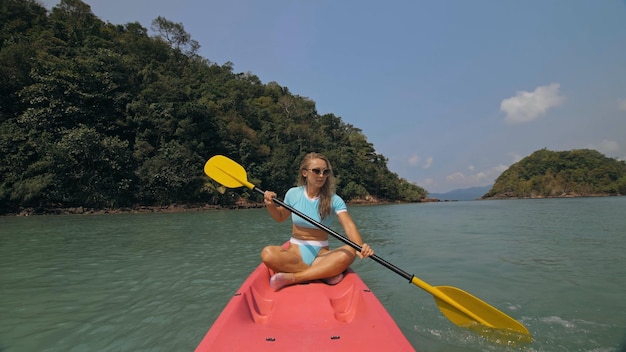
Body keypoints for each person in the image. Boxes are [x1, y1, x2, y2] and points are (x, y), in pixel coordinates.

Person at [261, 152, 374, 290]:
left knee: (350, 249)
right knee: (267, 253)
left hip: (321, 255)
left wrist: (360, 247)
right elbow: (280, 217)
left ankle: (296, 277)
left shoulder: (334, 200)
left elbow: (348, 224)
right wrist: (270, 204)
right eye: (316, 171)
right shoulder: (293, 194)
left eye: (325, 172)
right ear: (304, 173)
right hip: (295, 253)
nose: (321, 175)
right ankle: (323, 273)